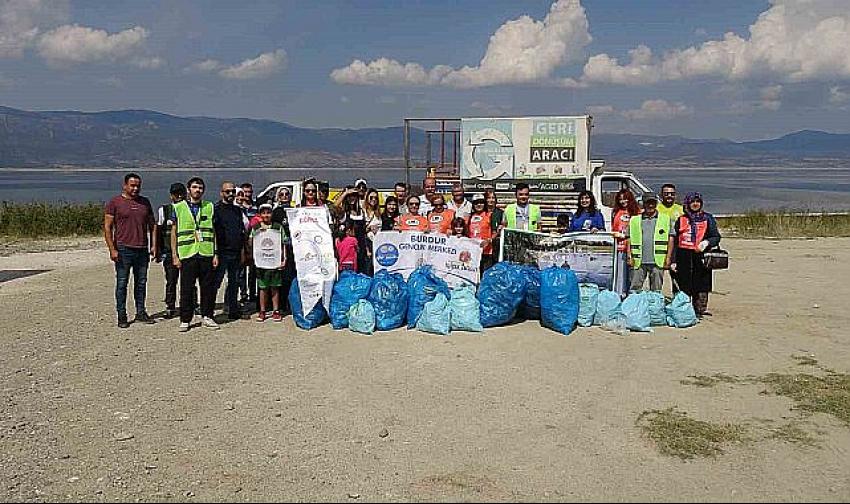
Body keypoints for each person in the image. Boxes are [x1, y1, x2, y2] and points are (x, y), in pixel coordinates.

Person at [104, 172, 156, 329]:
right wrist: (112, 249)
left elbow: (152, 225)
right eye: (132, 185)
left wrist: (154, 245)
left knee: (141, 283)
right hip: (123, 249)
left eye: (138, 186)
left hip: (142, 249)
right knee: (122, 283)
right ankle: (122, 315)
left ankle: (141, 312)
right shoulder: (115, 202)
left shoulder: (145, 202)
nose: (135, 188)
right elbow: (107, 227)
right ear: (125, 185)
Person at [171, 177, 219, 332]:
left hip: (206, 252)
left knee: (208, 287)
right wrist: (175, 255)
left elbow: (213, 231)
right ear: (188, 189)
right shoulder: (178, 207)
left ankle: (207, 316)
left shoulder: (209, 206)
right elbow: (174, 232)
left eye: (200, 188)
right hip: (187, 253)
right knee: (186, 288)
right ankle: (185, 319)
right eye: (194, 187)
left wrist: (215, 253)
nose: (197, 190)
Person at [671, 192, 721, 317]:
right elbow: (675, 240)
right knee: (682, 282)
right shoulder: (682, 219)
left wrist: (706, 242)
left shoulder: (708, 218)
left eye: (697, 202)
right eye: (692, 202)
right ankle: (683, 308)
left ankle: (699, 309)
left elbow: (716, 237)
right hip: (683, 255)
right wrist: (673, 260)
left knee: (702, 283)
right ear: (688, 203)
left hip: (701, 255)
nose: (695, 204)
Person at [213, 181, 248, 321]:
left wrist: (243, 251)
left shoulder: (237, 210)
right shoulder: (216, 209)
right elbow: (212, 232)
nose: (231, 194)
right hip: (221, 252)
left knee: (234, 282)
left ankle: (233, 310)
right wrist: (214, 252)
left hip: (235, 251)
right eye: (227, 192)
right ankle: (209, 311)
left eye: (233, 191)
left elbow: (241, 232)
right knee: (216, 282)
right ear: (222, 193)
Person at [248, 204, 287, 322]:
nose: (266, 215)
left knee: (275, 287)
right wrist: (259, 233)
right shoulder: (256, 227)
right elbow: (251, 243)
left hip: (275, 261)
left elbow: (283, 243)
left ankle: (276, 310)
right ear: (260, 214)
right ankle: (262, 311)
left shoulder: (278, 227)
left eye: (268, 212)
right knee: (262, 287)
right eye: (263, 213)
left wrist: (284, 259)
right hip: (261, 262)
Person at [626, 195, 673, 293]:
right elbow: (629, 238)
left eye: (653, 203)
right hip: (638, 261)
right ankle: (634, 307)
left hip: (658, 261)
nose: (650, 205)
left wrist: (668, 257)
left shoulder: (665, 219)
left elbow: (671, 238)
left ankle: (654, 308)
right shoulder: (634, 220)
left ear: (656, 203)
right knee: (634, 289)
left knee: (656, 290)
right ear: (643, 204)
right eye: (648, 203)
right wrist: (629, 256)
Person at [153, 183, 186, 319]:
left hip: (187, 250)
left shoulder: (189, 209)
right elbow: (158, 230)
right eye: (175, 193)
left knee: (188, 280)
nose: (178, 196)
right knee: (171, 280)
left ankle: (191, 304)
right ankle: (170, 306)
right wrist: (156, 248)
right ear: (171, 195)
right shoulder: (164, 210)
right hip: (168, 251)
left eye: (181, 193)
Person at [270, 187, 295, 315]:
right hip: (282, 248)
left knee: (293, 276)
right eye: (282, 194)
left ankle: (293, 303)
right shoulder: (276, 212)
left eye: (287, 194)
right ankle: (281, 304)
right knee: (283, 277)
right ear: (278, 197)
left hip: (295, 248)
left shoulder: (295, 210)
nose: (285, 196)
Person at [612, 189, 641, 295]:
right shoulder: (616, 212)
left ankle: (632, 296)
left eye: (625, 199)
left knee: (633, 276)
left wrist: (625, 236)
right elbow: (614, 228)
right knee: (620, 276)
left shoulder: (637, 212)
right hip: (619, 248)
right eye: (620, 199)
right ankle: (620, 295)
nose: (623, 201)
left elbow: (638, 230)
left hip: (633, 248)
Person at [338, 187, 369, 272]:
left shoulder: (361, 212)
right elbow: (334, 207)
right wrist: (345, 193)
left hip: (361, 247)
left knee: (362, 270)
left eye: (354, 195)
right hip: (349, 249)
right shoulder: (344, 212)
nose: (352, 198)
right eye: (350, 196)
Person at [238, 182, 258, 304]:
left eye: (250, 192)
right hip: (241, 242)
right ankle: (243, 294)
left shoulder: (255, 207)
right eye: (245, 192)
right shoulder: (238, 207)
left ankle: (252, 293)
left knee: (253, 271)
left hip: (254, 242)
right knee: (241, 271)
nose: (247, 194)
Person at [466, 193, 495, 271]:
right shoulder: (469, 217)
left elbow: (495, 232)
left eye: (481, 202)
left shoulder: (489, 215)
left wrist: (489, 240)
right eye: (476, 203)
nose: (479, 205)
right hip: (472, 252)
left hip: (486, 252)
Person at [363, 188, 382, 275]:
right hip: (367, 244)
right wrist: (369, 228)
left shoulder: (378, 213)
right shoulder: (363, 212)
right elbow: (360, 230)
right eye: (371, 198)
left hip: (377, 243)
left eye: (375, 198)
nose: (373, 200)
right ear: (367, 198)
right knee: (367, 270)